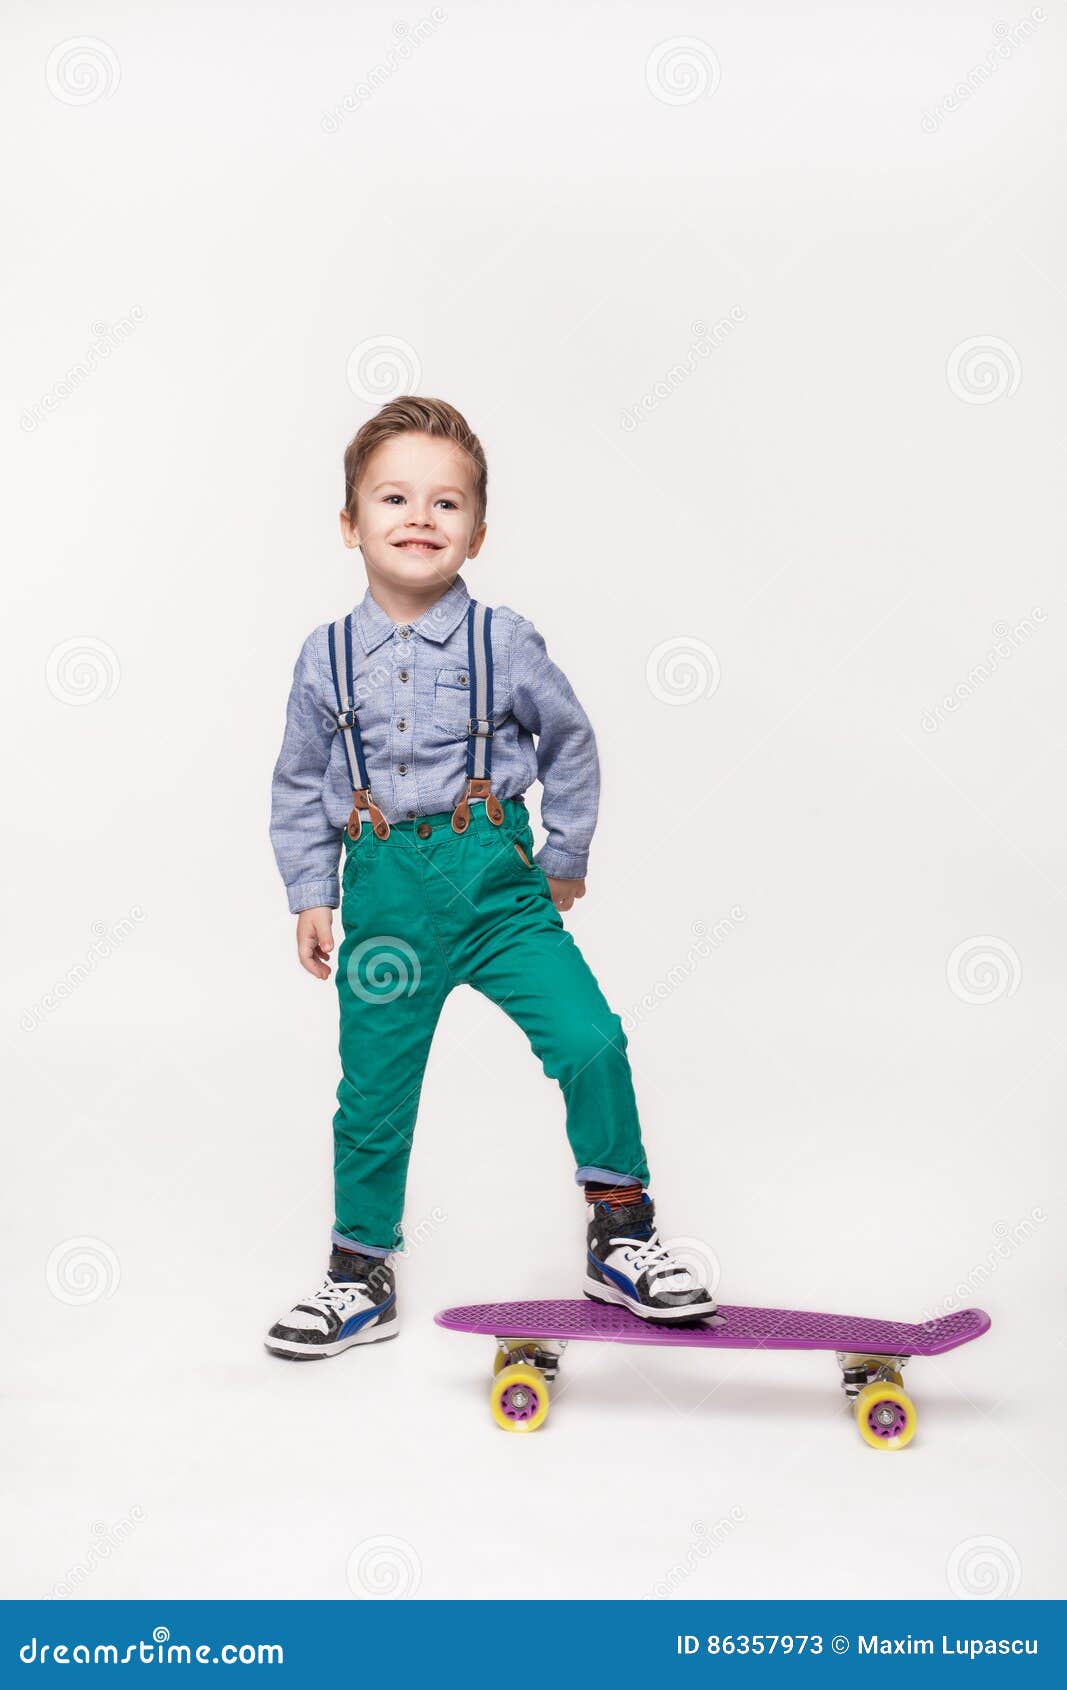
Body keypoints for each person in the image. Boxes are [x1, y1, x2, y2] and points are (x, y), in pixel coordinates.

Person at [266, 396, 716, 1358]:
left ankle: (622, 1236)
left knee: (590, 1039)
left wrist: (562, 856)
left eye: (446, 502)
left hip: (501, 895)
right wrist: (312, 892)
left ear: (478, 530)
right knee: (374, 1091)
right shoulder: (324, 656)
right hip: (384, 903)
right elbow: (301, 781)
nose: (419, 517)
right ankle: (358, 1275)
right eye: (393, 497)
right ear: (351, 524)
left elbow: (573, 745)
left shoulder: (503, 641)